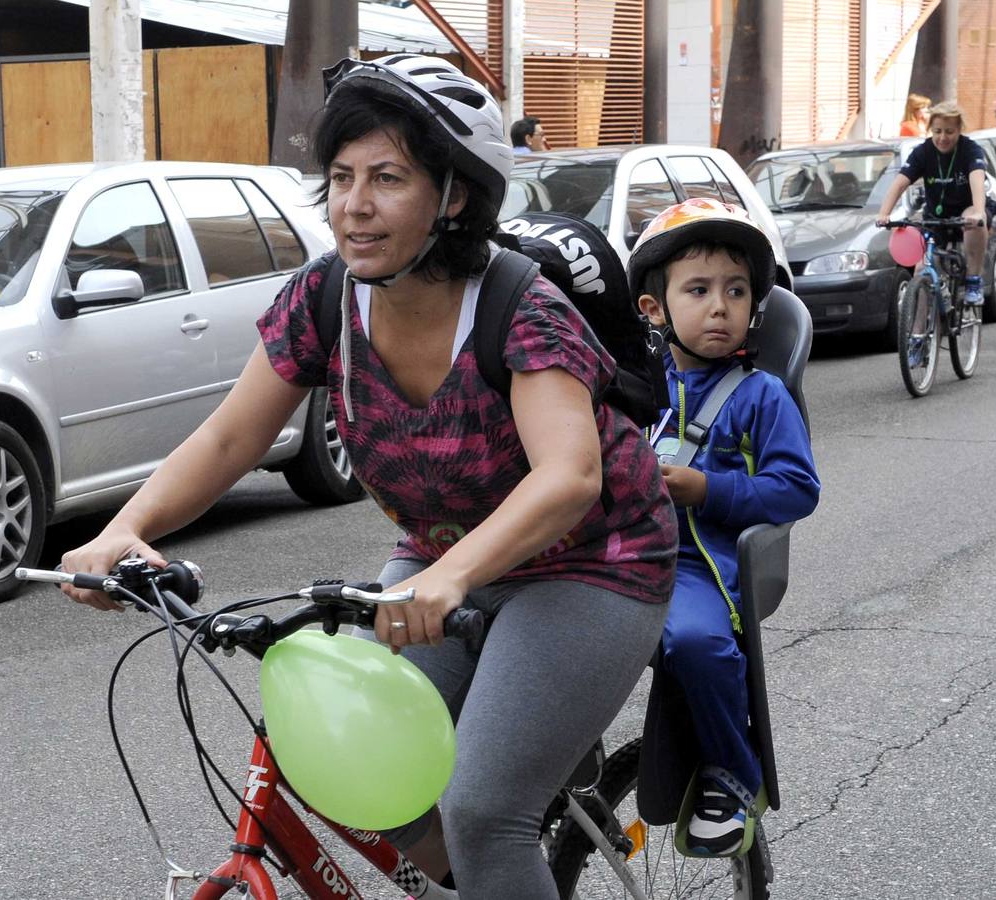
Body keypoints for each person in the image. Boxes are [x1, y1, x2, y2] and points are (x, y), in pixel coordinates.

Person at [59, 53, 676, 898]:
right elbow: (232, 438)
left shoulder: (518, 306)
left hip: (589, 566)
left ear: (453, 195)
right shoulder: (325, 300)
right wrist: (126, 529)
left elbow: (567, 477)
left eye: (388, 177)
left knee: (482, 809)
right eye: (342, 176)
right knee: (343, 763)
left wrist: (450, 578)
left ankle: (500, 849)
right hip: (436, 562)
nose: (355, 204)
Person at [629, 197, 820, 857]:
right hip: (614, 560)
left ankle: (733, 773)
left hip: (698, 567)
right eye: (699, 289)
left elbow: (797, 488)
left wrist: (709, 489)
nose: (719, 306)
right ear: (653, 309)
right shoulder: (629, 391)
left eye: (735, 292)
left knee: (695, 644)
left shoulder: (757, 394)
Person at [876, 101, 991, 307]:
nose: (943, 138)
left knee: (972, 221)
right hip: (936, 217)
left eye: (949, 132)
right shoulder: (923, 152)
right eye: (937, 131)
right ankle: (918, 335)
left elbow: (977, 179)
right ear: (930, 129)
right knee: (921, 271)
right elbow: (900, 183)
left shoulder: (970, 149)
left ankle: (974, 281)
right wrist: (884, 214)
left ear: (959, 130)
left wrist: (980, 212)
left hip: (967, 211)